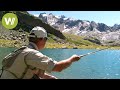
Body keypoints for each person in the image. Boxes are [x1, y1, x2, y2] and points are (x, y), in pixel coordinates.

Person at [0, 26, 81, 79]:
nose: (46, 41)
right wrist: (72, 59)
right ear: (41, 39)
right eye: (45, 39)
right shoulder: (32, 53)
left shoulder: (22, 50)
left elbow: (30, 71)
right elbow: (58, 67)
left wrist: (49, 77)